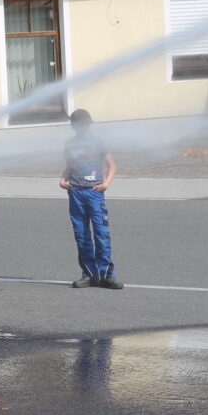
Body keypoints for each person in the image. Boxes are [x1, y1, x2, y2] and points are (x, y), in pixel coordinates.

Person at [59, 108, 123, 290]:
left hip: (95, 193)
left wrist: (106, 184)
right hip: (76, 193)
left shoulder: (98, 143)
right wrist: (63, 179)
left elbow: (112, 166)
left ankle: (107, 275)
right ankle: (89, 274)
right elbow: (69, 166)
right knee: (82, 235)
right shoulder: (70, 144)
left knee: (101, 234)